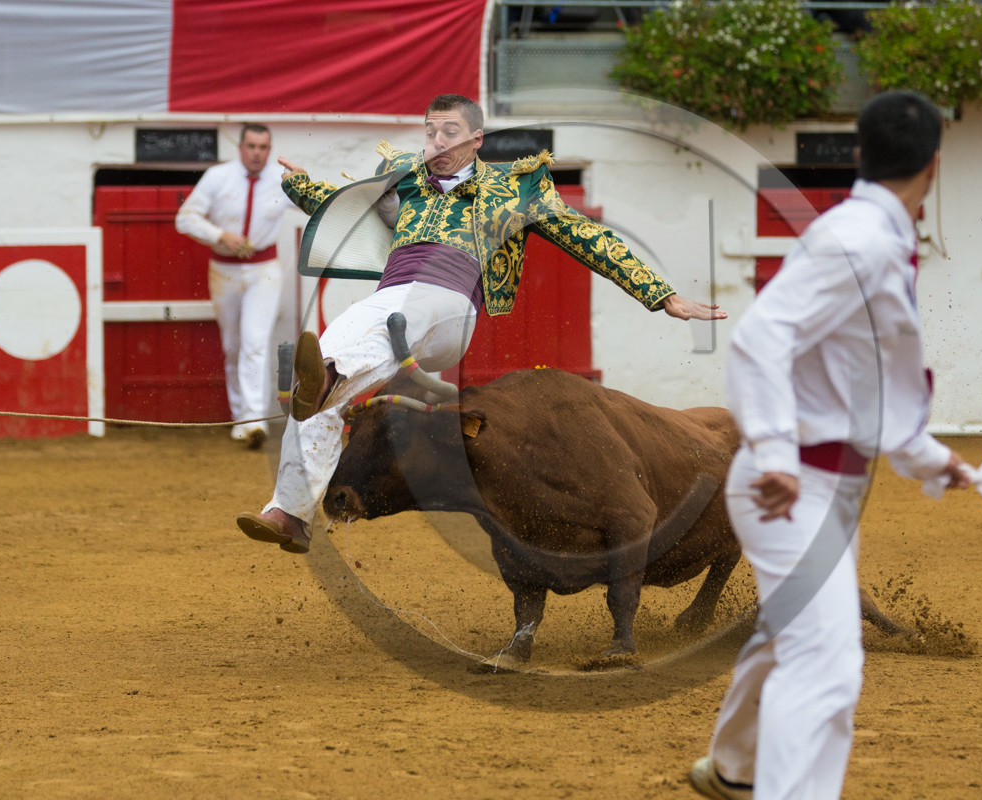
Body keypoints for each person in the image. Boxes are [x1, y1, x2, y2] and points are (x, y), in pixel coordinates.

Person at [236, 93, 725, 553]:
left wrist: (659, 293)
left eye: (450, 132)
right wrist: (298, 182)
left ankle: (328, 379)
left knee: (395, 318)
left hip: (450, 307)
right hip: (392, 301)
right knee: (327, 359)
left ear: (476, 140)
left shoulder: (515, 188)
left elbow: (587, 236)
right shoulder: (405, 181)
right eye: (430, 133)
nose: (438, 142)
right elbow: (345, 205)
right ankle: (291, 512)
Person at [688, 90, 972, 800]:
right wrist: (779, 452)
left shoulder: (875, 239)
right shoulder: (864, 241)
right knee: (828, 663)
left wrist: (925, 456)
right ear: (934, 167)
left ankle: (732, 768)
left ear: (857, 157)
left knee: (793, 637)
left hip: (819, 482)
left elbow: (867, 381)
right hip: (790, 486)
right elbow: (759, 339)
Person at [175, 123, 289, 449]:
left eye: (264, 147)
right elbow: (185, 218)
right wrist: (220, 235)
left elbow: (314, 205)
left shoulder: (281, 181)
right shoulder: (218, 176)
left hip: (264, 269)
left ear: (270, 149)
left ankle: (253, 421)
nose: (257, 153)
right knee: (233, 345)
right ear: (240, 147)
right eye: (252, 146)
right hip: (223, 269)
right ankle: (241, 417)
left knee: (255, 341)